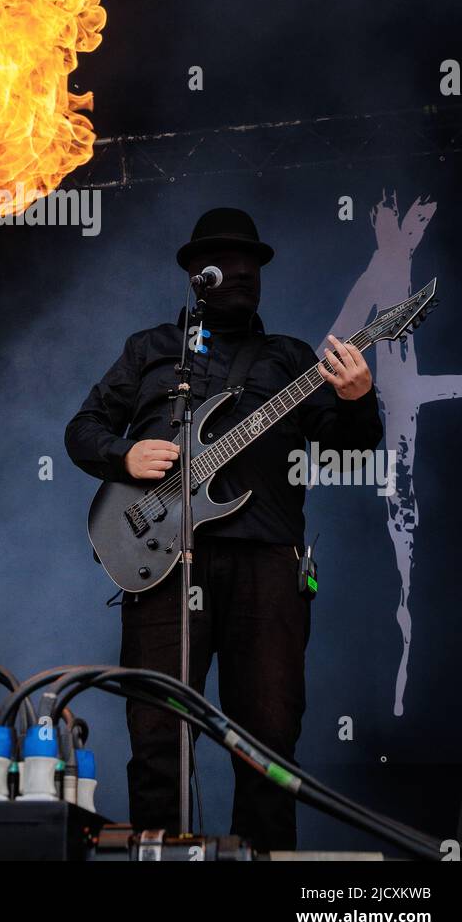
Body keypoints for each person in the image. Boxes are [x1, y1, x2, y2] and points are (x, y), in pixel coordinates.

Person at [64, 207, 384, 851]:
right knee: (157, 730)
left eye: (252, 265)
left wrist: (358, 400)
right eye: (226, 263)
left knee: (269, 736)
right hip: (162, 560)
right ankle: (162, 855)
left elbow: (354, 446)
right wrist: (123, 455)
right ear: (195, 274)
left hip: (267, 563)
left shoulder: (293, 358)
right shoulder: (152, 350)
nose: (241, 275)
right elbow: (82, 428)